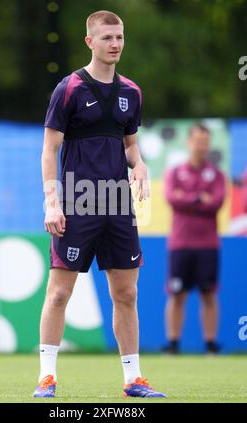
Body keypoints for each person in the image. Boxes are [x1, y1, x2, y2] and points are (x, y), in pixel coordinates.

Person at [33, 10, 166, 398]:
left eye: (120, 37)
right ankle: (47, 378)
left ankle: (133, 380)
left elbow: (130, 145)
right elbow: (48, 150)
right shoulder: (70, 88)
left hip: (118, 205)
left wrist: (139, 165)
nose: (116, 44)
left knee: (126, 294)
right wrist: (51, 203)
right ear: (90, 42)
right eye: (108, 38)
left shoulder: (131, 92)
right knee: (59, 293)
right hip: (76, 202)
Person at [163, 123, 226, 355]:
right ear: (188, 142)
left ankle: (210, 343)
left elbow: (217, 203)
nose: (201, 147)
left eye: (205, 142)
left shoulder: (217, 175)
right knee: (176, 293)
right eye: (198, 141)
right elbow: (172, 199)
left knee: (209, 294)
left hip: (208, 244)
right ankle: (173, 343)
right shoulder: (174, 172)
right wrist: (200, 198)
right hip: (180, 243)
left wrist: (187, 198)